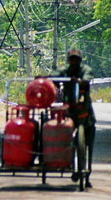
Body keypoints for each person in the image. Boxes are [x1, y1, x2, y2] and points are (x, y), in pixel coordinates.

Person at [52, 48, 96, 188]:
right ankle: (67, 163)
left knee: (88, 144)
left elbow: (88, 78)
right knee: (62, 137)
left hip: (84, 110)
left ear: (80, 60)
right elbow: (54, 76)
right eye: (72, 59)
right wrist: (48, 79)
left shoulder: (85, 69)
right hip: (69, 110)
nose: (74, 61)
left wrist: (80, 81)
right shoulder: (65, 69)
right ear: (68, 60)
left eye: (76, 59)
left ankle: (86, 174)